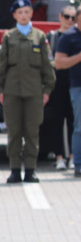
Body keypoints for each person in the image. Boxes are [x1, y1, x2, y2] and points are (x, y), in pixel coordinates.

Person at [0, 0, 56, 183]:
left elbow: (47, 66)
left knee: (32, 132)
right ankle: (14, 170)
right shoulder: (9, 37)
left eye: (26, 12)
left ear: (31, 13)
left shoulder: (39, 37)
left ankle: (30, 169)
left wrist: (47, 91)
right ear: (14, 15)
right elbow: (1, 66)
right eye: (20, 13)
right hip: (12, 92)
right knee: (14, 132)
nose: (23, 15)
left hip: (34, 92)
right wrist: (0, 89)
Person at [41, 5, 77, 169]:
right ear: (60, 17)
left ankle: (71, 155)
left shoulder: (77, 35)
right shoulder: (54, 36)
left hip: (74, 82)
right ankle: (59, 157)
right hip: (57, 83)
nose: (70, 20)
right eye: (67, 16)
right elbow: (48, 61)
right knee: (57, 121)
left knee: (73, 121)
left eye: (73, 17)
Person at [53, 11, 81, 179]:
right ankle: (78, 164)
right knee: (79, 128)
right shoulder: (69, 36)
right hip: (78, 87)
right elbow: (59, 63)